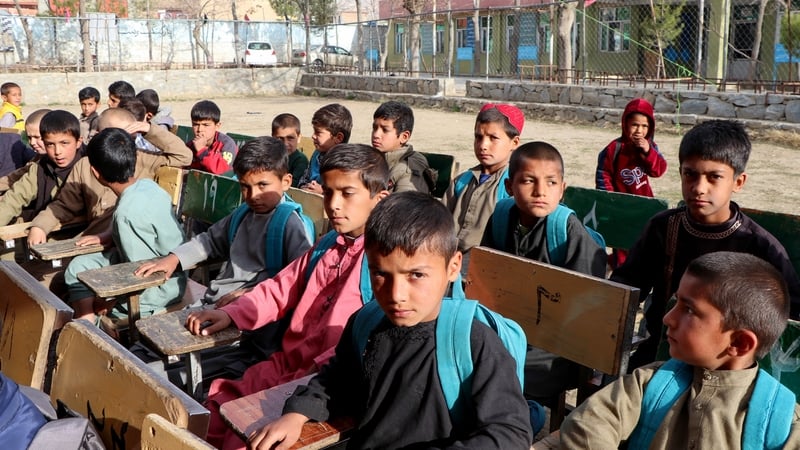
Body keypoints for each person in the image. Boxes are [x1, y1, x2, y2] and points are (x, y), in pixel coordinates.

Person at [248, 191, 532, 450]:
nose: (396, 295)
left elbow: (510, 432)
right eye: (381, 274)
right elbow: (337, 379)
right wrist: (297, 414)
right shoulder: (367, 322)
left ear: (453, 267)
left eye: (416, 275)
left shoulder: (472, 341)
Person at [185, 143, 389, 449]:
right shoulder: (328, 243)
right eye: (329, 192)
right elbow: (281, 288)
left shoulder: (384, 263)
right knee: (215, 407)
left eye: (347, 193)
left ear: (379, 197)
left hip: (325, 381)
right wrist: (232, 313)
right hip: (286, 363)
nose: (333, 205)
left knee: (248, 439)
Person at [611, 119, 800, 370]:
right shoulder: (664, 228)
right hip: (660, 357)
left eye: (714, 177)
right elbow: (626, 286)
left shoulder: (760, 246)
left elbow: (790, 316)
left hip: (727, 369)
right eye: (690, 174)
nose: (699, 188)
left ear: (738, 182)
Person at [561, 251, 800, 448]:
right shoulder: (649, 384)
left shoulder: (782, 423)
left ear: (739, 343)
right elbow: (588, 426)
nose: (667, 318)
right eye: (676, 302)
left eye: (688, 310)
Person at [481, 141, 607, 404]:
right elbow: (487, 276)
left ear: (562, 190)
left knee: (500, 368)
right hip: (511, 327)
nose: (540, 191)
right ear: (509, 187)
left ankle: (521, 419)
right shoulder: (502, 217)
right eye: (528, 181)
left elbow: (588, 305)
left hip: (559, 348)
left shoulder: (568, 232)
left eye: (551, 183)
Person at [135, 136, 313, 306]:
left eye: (263, 185)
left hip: (251, 311)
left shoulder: (290, 224)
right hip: (217, 300)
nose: (253, 196)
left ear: (286, 182)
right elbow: (209, 240)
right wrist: (174, 258)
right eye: (245, 187)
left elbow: (297, 279)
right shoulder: (243, 214)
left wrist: (252, 293)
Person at [63, 127, 185, 323]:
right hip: (170, 272)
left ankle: (94, 327)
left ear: (95, 173)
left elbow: (137, 272)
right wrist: (108, 234)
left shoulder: (126, 214)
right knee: (79, 266)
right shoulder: (147, 186)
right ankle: (88, 319)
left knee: (83, 285)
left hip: (156, 290)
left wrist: (109, 299)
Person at [26, 108, 192, 246]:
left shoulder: (144, 159)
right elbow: (64, 204)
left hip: (127, 244)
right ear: (100, 135)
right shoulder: (85, 165)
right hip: (90, 242)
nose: (124, 142)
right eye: (117, 136)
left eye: (130, 136)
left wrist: (149, 129)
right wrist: (40, 226)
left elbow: (184, 156)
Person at [442, 102, 524, 273]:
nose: (483, 145)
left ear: (514, 142)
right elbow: (439, 221)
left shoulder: (512, 187)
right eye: (478, 137)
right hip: (447, 257)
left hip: (485, 267)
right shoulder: (462, 181)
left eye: (493, 138)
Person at [596, 98, 667, 268]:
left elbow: (658, 171)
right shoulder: (615, 148)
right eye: (635, 125)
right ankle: (620, 275)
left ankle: (637, 270)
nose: (639, 131)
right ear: (625, 123)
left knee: (644, 241)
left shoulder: (651, 147)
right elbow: (603, 173)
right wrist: (610, 198)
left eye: (644, 126)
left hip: (644, 205)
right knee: (621, 243)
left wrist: (648, 152)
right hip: (621, 206)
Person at [0, 110, 84, 226]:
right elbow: (16, 196)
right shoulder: (40, 166)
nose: (58, 152)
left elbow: (64, 206)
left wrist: (40, 226)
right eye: (50, 144)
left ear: (78, 141)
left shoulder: (87, 166)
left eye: (64, 143)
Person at [371, 100, 433, 193]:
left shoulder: (409, 168)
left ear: (404, 137)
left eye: (385, 130)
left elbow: (406, 205)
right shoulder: (372, 158)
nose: (376, 135)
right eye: (375, 128)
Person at [297, 103, 352, 194]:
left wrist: (323, 192)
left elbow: (344, 192)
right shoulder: (317, 154)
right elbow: (305, 177)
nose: (313, 136)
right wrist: (304, 187)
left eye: (318, 132)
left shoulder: (345, 162)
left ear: (338, 138)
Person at [0, 109, 51, 197]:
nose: (32, 143)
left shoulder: (69, 162)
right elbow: (14, 177)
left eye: (37, 137)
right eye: (30, 138)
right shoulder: (37, 159)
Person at [186, 100, 238, 175]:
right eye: (196, 124)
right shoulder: (191, 145)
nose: (200, 130)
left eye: (206, 125)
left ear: (217, 126)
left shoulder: (227, 144)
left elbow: (221, 171)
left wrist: (201, 151)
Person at [271, 113, 308, 187]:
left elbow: (293, 185)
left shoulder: (300, 160)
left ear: (299, 138)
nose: (285, 143)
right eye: (280, 139)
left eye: (290, 138)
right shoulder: (270, 157)